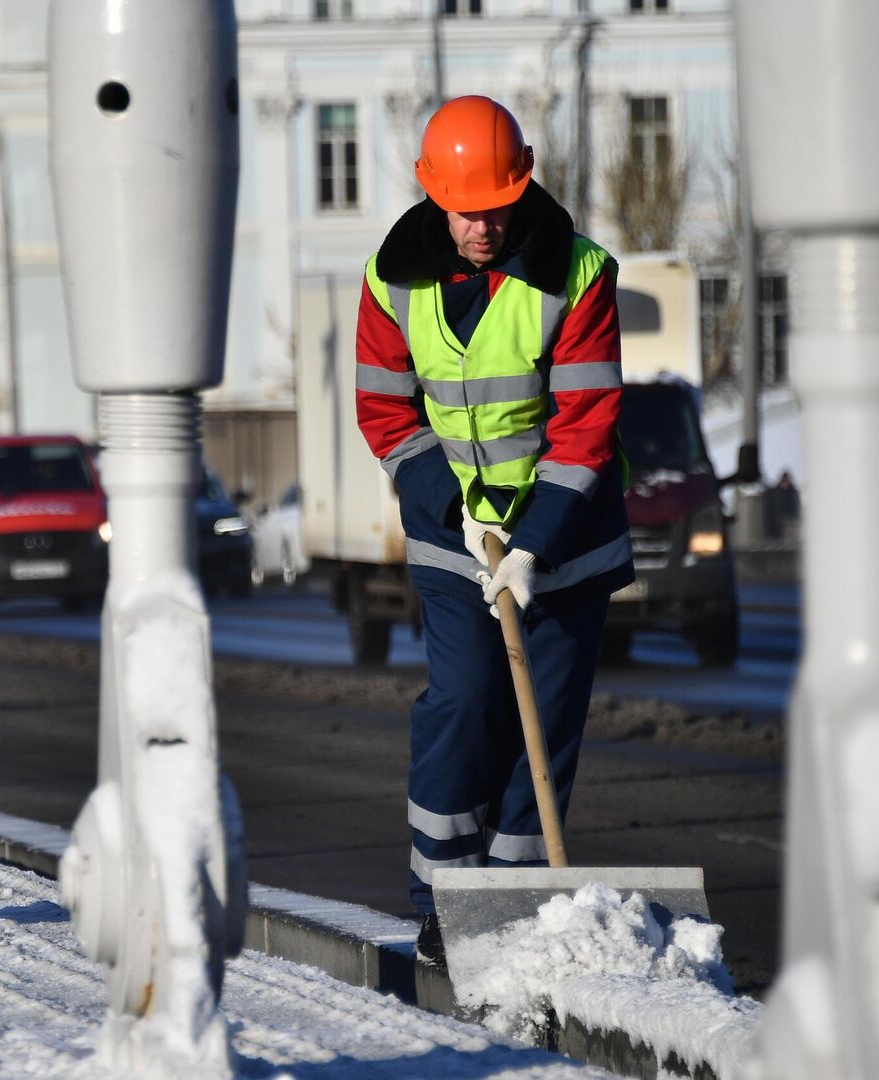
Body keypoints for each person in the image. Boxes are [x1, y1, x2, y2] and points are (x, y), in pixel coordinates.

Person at [353, 96, 634, 966]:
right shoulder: (390, 279)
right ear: (435, 194)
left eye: (499, 205)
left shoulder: (578, 274)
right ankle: (444, 899)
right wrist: (452, 503)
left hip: (567, 542)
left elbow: (587, 420)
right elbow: (386, 412)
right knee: (467, 704)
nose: (482, 225)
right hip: (453, 544)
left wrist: (533, 542)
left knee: (541, 732)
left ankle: (511, 909)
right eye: (467, 209)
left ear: (526, 180)